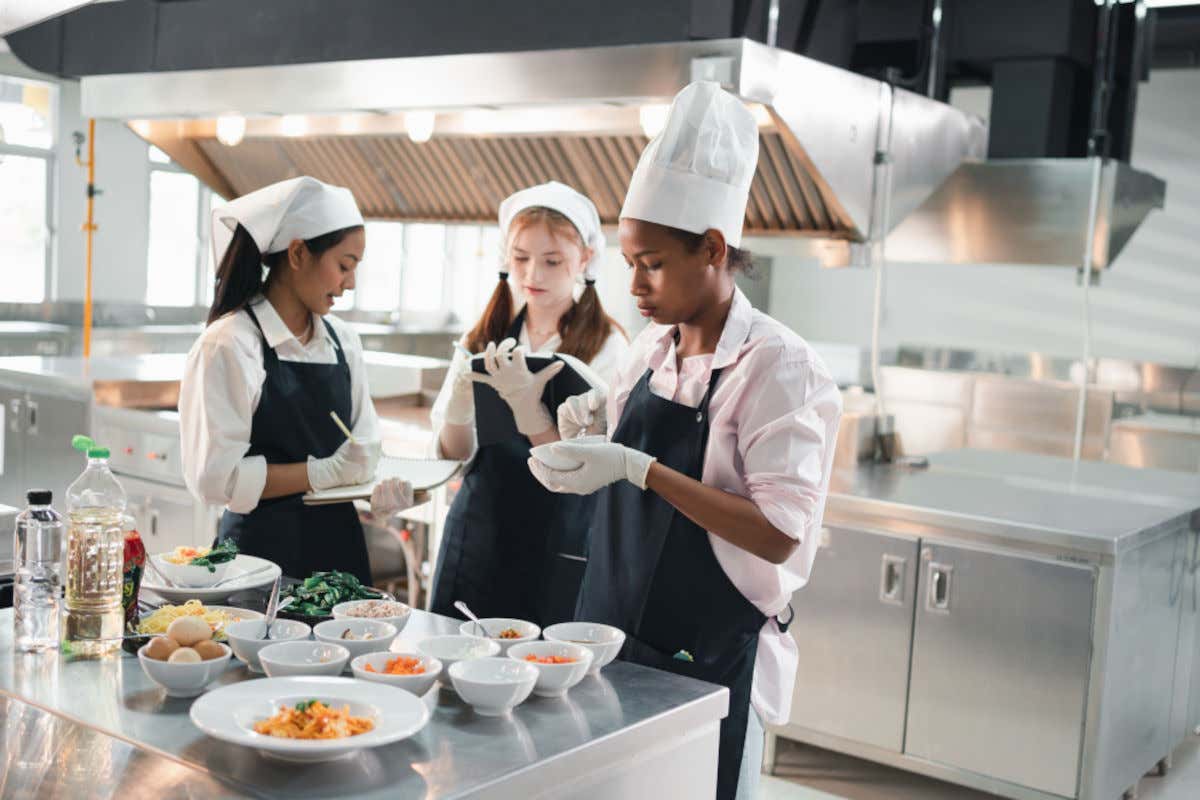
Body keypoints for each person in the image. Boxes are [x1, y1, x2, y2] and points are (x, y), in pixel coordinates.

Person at [529, 83, 843, 800]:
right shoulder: (651, 347)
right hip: (608, 635)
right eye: (629, 260)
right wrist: (587, 429)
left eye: (652, 262)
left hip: (705, 657)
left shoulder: (778, 367)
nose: (633, 282)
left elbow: (778, 534)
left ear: (712, 248)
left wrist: (641, 468)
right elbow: (619, 449)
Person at [181, 176, 412, 584]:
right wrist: (320, 472)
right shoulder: (230, 345)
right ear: (299, 253)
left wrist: (380, 488)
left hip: (342, 561)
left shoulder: (344, 342)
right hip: (256, 565)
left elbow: (363, 449)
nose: (351, 283)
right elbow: (218, 479)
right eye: (344, 265)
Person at [429, 181, 628, 626]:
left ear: (585, 259)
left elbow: (588, 470)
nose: (533, 275)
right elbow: (454, 453)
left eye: (552, 261)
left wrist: (529, 411)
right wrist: (462, 401)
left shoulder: (608, 347)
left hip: (558, 536)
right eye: (520, 259)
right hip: (479, 530)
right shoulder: (482, 336)